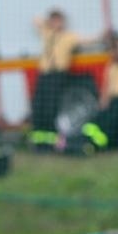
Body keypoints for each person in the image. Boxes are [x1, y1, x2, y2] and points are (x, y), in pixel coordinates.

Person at [30, 8, 91, 150]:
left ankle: (53, 140)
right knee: (39, 106)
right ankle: (39, 141)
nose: (56, 23)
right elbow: (35, 20)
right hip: (44, 74)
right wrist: (49, 23)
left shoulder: (69, 37)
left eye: (58, 20)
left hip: (58, 75)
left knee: (52, 107)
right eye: (54, 20)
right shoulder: (47, 33)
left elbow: (85, 40)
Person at [80, 32, 118, 153]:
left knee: (114, 123)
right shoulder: (112, 66)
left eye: (116, 48)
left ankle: (101, 145)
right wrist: (103, 102)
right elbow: (106, 86)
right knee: (97, 121)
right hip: (113, 100)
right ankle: (89, 143)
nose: (114, 52)